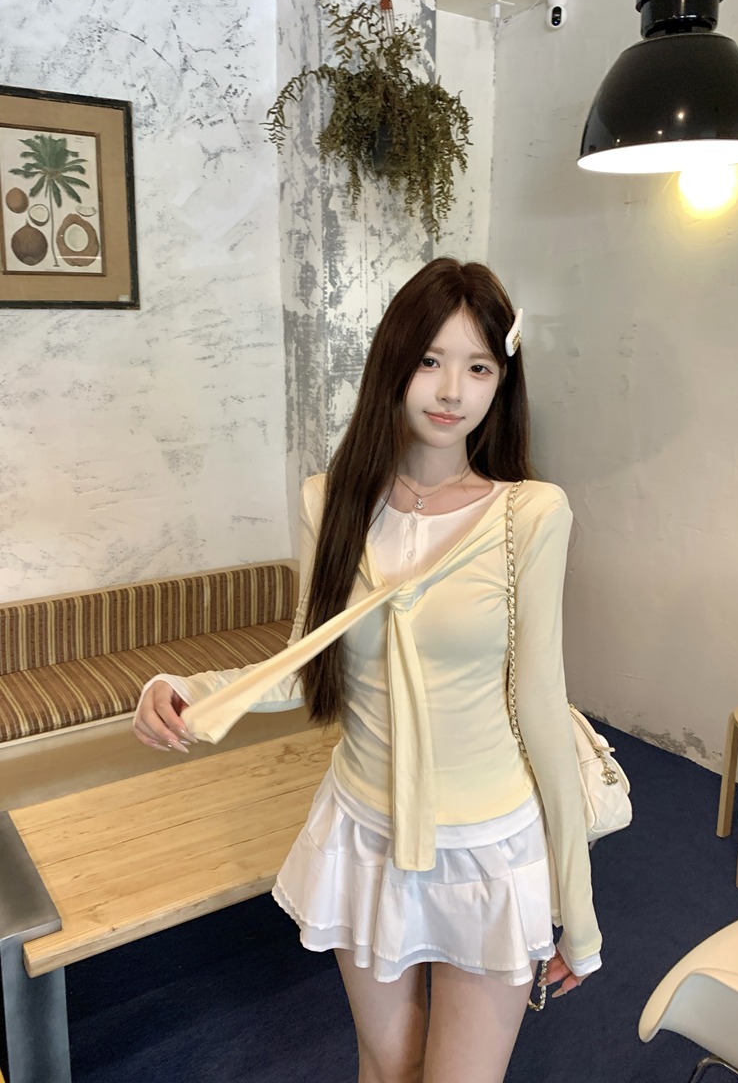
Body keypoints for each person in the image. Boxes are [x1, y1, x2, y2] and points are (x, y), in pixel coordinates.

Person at [133, 257, 602, 1083]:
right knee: (386, 1067)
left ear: (503, 380)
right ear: (393, 362)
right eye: (430, 360)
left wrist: (578, 904)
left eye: (479, 367)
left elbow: (540, 706)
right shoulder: (332, 500)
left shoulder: (530, 514)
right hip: (364, 833)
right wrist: (186, 692)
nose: (451, 391)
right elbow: (307, 660)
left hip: (486, 847)